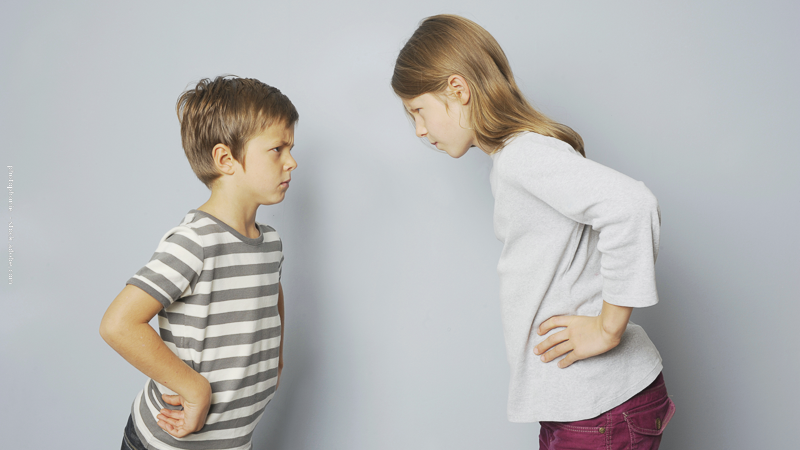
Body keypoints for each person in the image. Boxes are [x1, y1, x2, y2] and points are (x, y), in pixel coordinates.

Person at [392, 15, 675, 449]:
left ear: (457, 89)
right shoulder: (515, 157)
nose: (420, 130)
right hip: (584, 407)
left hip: (598, 409)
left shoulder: (521, 156)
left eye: (418, 111)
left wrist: (607, 329)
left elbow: (631, 206)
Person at [99, 76, 298, 450]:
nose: (292, 161)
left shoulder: (269, 242)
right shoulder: (195, 242)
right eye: (277, 149)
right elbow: (118, 324)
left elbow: (270, 291)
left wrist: (276, 360)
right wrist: (195, 388)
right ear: (225, 159)